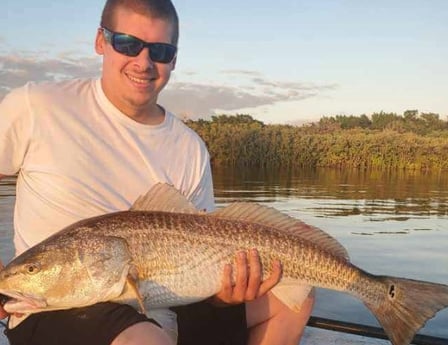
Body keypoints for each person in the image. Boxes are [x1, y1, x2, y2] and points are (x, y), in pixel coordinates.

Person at [0, 0, 314, 344]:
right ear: (100, 41)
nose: (144, 62)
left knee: (294, 299)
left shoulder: (189, 146)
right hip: (58, 308)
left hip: (154, 300)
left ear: (174, 60)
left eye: (161, 51)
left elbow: (204, 263)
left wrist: (226, 293)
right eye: (127, 44)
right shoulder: (38, 106)